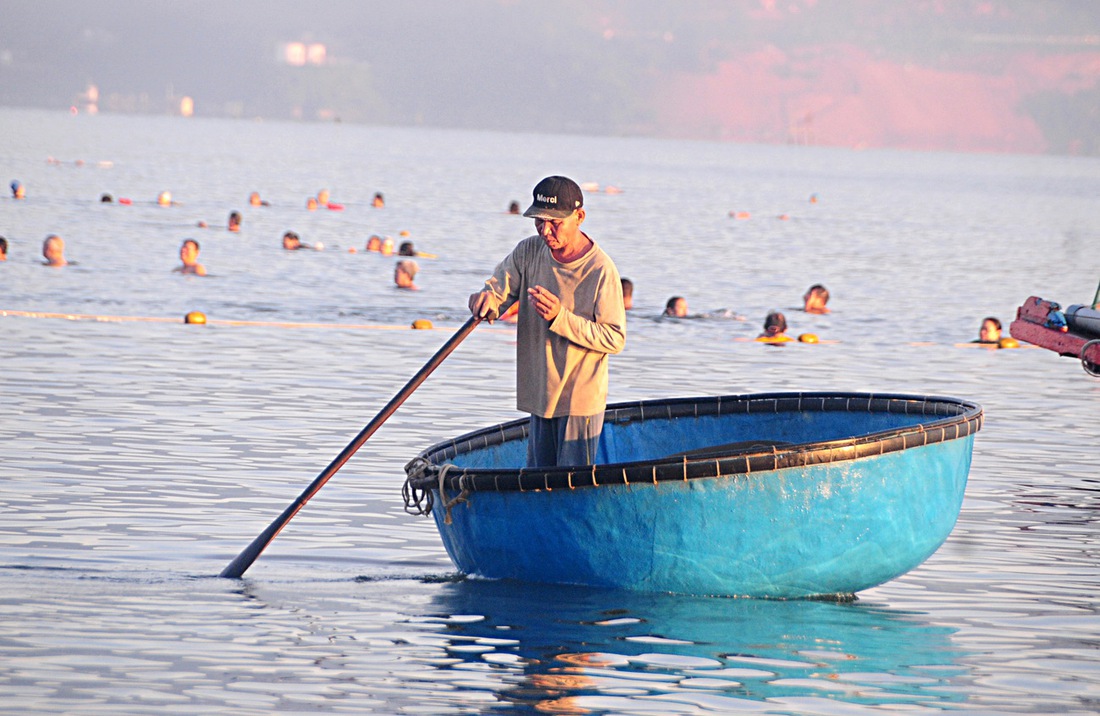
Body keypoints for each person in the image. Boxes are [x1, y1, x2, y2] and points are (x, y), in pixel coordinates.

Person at [469, 175, 626, 468]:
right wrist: (485, 299)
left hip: (579, 401)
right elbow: (497, 291)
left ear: (579, 217)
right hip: (541, 395)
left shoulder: (600, 269)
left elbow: (614, 338)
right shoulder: (529, 252)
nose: (546, 230)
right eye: (539, 221)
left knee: (570, 487)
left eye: (555, 222)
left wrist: (560, 318)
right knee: (538, 485)